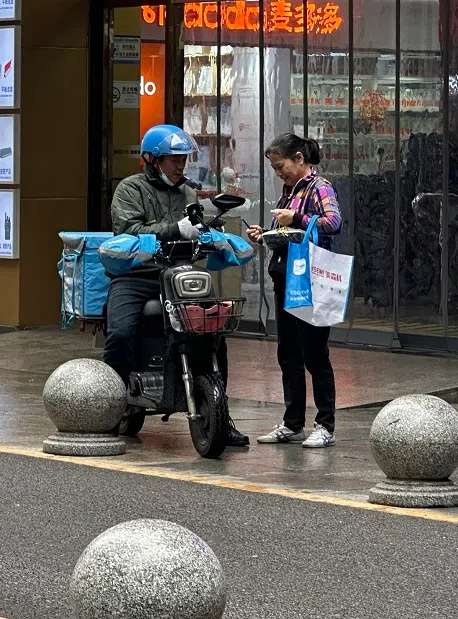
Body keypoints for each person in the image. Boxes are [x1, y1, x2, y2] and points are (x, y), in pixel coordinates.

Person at [105, 123, 249, 447]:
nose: (180, 165)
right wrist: (175, 229)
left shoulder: (187, 191)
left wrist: (209, 233)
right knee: (121, 332)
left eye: (183, 159)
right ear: (152, 160)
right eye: (174, 159)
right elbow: (129, 229)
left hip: (178, 274)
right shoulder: (129, 189)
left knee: (212, 330)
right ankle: (109, 407)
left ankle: (220, 417)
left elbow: (191, 228)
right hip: (136, 276)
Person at [246, 133, 341, 448]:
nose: (279, 173)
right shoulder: (288, 191)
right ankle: (292, 423)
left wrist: (297, 217)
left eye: (281, 166)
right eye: (274, 169)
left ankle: (325, 424)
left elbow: (333, 222)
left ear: (300, 158)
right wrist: (268, 233)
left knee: (315, 354)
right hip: (285, 277)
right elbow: (293, 232)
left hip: (311, 280)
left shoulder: (320, 187)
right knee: (288, 354)